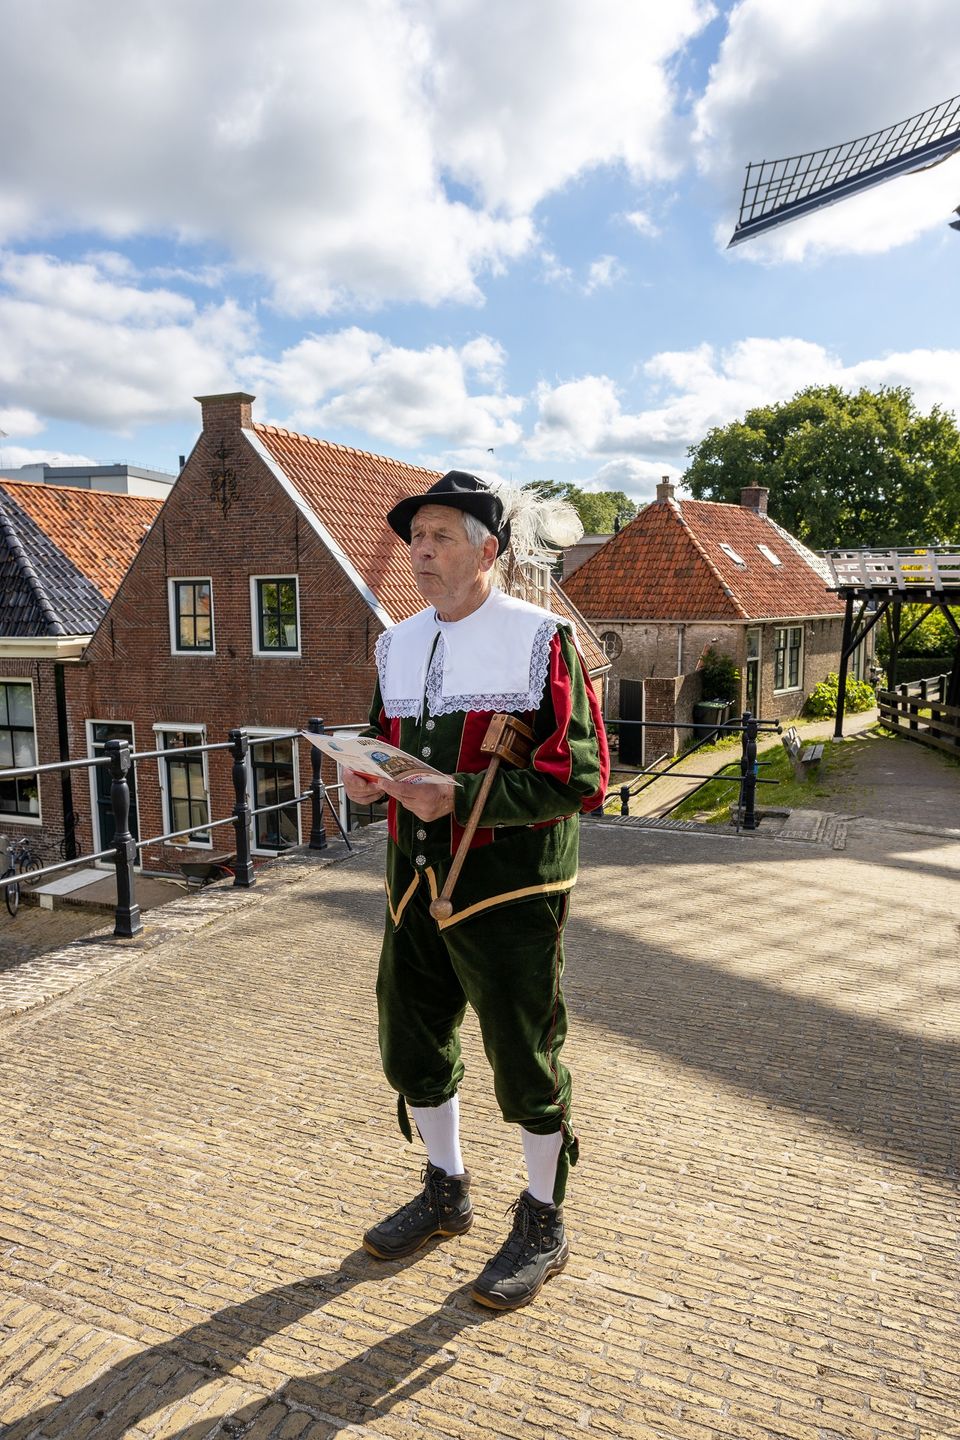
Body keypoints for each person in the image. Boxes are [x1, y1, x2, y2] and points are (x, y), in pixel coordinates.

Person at [341, 470, 609, 1310]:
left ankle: (542, 1219)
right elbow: (381, 745)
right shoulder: (395, 642)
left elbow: (584, 779)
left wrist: (459, 795)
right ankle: (447, 1187)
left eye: (440, 537)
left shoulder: (541, 640)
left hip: (509, 890)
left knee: (524, 1056)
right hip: (409, 883)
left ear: (486, 550)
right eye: (414, 538)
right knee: (411, 1040)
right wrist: (363, 782)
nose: (420, 552)